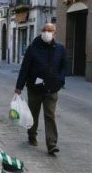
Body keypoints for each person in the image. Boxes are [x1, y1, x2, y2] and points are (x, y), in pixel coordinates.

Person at [15, 23, 66, 154]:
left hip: (52, 88)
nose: (47, 32)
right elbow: (25, 68)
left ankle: (52, 143)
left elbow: (63, 67)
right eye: (45, 30)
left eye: (50, 30)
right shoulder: (32, 48)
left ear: (54, 32)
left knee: (50, 115)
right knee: (33, 114)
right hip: (35, 87)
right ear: (41, 31)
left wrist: (60, 81)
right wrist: (19, 86)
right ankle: (32, 135)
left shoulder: (60, 48)